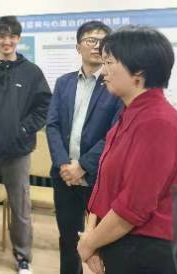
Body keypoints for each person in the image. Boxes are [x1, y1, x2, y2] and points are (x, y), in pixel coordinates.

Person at [77, 26, 177, 274]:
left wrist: (89, 243)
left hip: (145, 250)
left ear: (138, 71)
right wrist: (92, 234)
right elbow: (106, 185)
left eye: (109, 62)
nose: (103, 71)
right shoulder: (131, 114)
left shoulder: (158, 121)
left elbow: (134, 207)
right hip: (118, 240)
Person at [0, 16, 51, 274]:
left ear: (18, 38)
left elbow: (44, 106)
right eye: (1, 36)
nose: (7, 41)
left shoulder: (32, 72)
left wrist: (24, 129)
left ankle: (23, 257)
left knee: (20, 209)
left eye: (12, 36)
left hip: (18, 153)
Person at [46, 21, 122, 274]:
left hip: (98, 177)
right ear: (78, 47)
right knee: (68, 239)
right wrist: (64, 165)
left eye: (102, 41)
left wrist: (83, 166)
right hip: (64, 177)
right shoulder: (64, 83)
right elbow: (53, 125)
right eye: (91, 40)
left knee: (104, 243)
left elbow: (114, 133)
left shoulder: (115, 85)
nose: (97, 46)